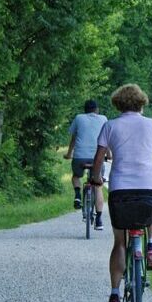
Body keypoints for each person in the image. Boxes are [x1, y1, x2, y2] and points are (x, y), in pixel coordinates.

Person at [89, 84, 152, 302]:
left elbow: (99, 159)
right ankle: (151, 247)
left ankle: (115, 295)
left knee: (119, 242)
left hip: (120, 189)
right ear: (142, 103)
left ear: (117, 103)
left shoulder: (110, 126)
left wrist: (95, 179)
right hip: (148, 184)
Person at [64, 99, 108, 230]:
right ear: (97, 110)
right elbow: (106, 140)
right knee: (98, 186)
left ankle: (78, 195)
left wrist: (69, 154)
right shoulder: (104, 118)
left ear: (85, 110)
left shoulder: (78, 118)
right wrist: (109, 154)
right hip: (97, 158)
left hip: (80, 157)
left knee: (76, 176)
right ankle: (99, 220)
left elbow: (74, 138)